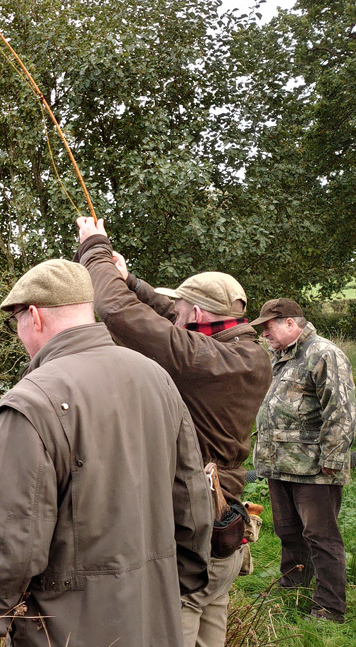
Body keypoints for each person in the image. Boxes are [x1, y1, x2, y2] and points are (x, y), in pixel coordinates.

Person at [0, 259, 213, 647]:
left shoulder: (30, 402)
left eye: (17, 322)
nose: (19, 334)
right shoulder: (156, 377)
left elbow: (10, 541)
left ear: (34, 316)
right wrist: (179, 580)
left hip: (65, 629)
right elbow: (193, 505)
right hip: (153, 618)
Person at [74, 218, 271, 647]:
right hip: (225, 522)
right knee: (211, 618)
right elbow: (167, 315)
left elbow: (117, 313)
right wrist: (129, 279)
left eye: (182, 309)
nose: (174, 314)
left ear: (198, 315)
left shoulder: (205, 361)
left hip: (198, 524)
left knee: (178, 618)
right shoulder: (248, 352)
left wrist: (93, 247)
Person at [252, 298, 355, 623]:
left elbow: (341, 409)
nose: (264, 334)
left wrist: (333, 459)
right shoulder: (279, 357)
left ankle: (330, 607)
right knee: (288, 532)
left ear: (290, 324)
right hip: (279, 463)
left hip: (314, 468)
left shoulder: (323, 353)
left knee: (321, 537)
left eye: (268, 327)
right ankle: (292, 587)